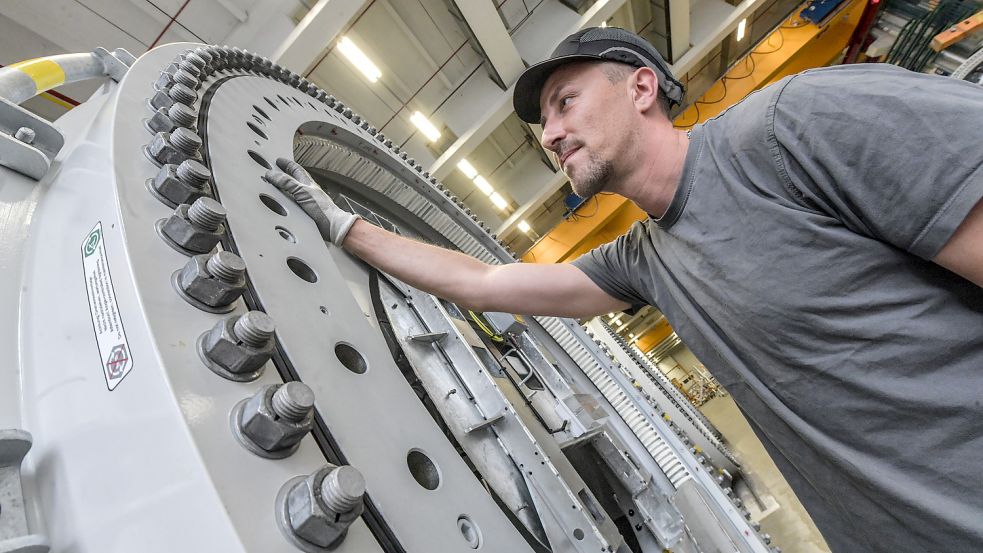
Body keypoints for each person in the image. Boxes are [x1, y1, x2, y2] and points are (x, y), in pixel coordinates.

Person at [263, 26, 983, 553]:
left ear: (640, 85)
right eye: (544, 121)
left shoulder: (791, 127)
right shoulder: (641, 259)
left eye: (564, 101)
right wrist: (343, 225)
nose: (549, 134)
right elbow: (483, 281)